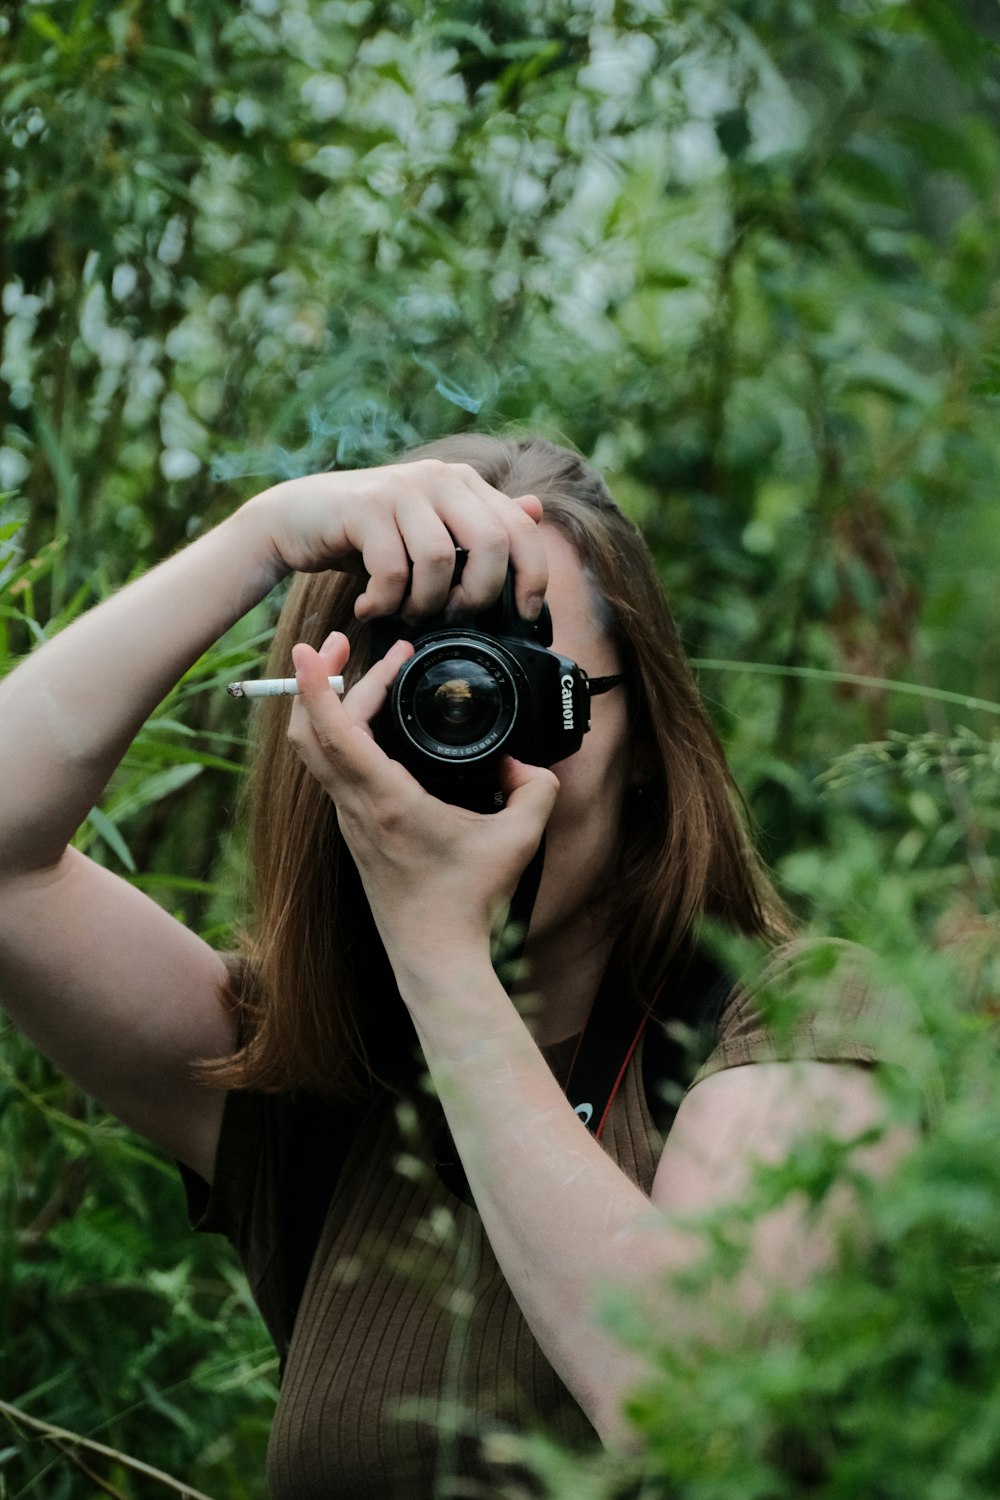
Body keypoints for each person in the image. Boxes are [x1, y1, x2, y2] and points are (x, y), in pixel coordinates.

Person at [0, 434, 909, 1497]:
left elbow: (696, 1418)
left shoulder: (797, 1015)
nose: (469, 736)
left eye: (520, 684)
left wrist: (440, 946)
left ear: (644, 733)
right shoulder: (307, 1076)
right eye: (421, 691)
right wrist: (263, 536)